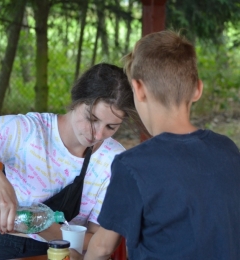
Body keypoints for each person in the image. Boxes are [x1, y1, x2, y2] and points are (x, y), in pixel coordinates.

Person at [80, 31, 240, 260]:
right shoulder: (229, 150)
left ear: (138, 89)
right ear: (197, 89)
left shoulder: (133, 165)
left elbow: (102, 248)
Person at [0, 63, 143, 259]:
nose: (98, 134)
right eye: (92, 119)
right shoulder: (27, 131)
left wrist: (41, 225)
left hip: (74, 253)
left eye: (111, 126)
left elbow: (97, 241)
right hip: (14, 246)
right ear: (77, 100)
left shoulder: (114, 158)